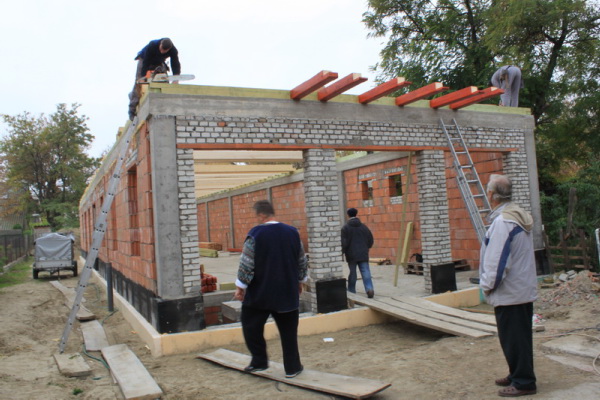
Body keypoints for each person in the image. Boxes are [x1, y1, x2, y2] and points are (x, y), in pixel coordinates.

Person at [234, 200, 308, 378]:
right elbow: (301, 260)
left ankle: (259, 362)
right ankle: (292, 367)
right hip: (287, 292)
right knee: (288, 332)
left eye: (256, 216)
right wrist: (300, 281)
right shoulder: (292, 232)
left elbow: (246, 263)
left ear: (261, 215)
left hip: (260, 293)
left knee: (251, 326)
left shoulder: (255, 234)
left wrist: (240, 286)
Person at [479, 174, 537, 397]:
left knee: (515, 339)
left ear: (492, 195)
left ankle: (524, 382)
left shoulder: (504, 222)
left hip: (510, 291)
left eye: (488, 190)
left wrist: (487, 285)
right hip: (519, 289)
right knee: (515, 337)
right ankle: (516, 374)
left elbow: (498, 260)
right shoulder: (515, 215)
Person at [128, 38, 181, 120]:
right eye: (161, 49)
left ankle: (165, 101)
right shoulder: (152, 45)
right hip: (144, 59)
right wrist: (142, 77)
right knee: (139, 84)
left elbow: (175, 63)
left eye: (164, 51)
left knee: (164, 79)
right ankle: (132, 109)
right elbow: (145, 63)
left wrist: (176, 78)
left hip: (158, 62)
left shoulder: (173, 50)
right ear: (160, 44)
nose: (162, 52)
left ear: (169, 49)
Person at [341, 207, 375, 298]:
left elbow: (344, 243)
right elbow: (370, 240)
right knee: (366, 271)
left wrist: (342, 252)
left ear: (348, 215)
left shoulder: (345, 228)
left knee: (353, 273)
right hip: (363, 253)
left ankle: (351, 291)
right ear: (356, 214)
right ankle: (369, 289)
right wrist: (366, 248)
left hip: (351, 254)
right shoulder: (364, 227)